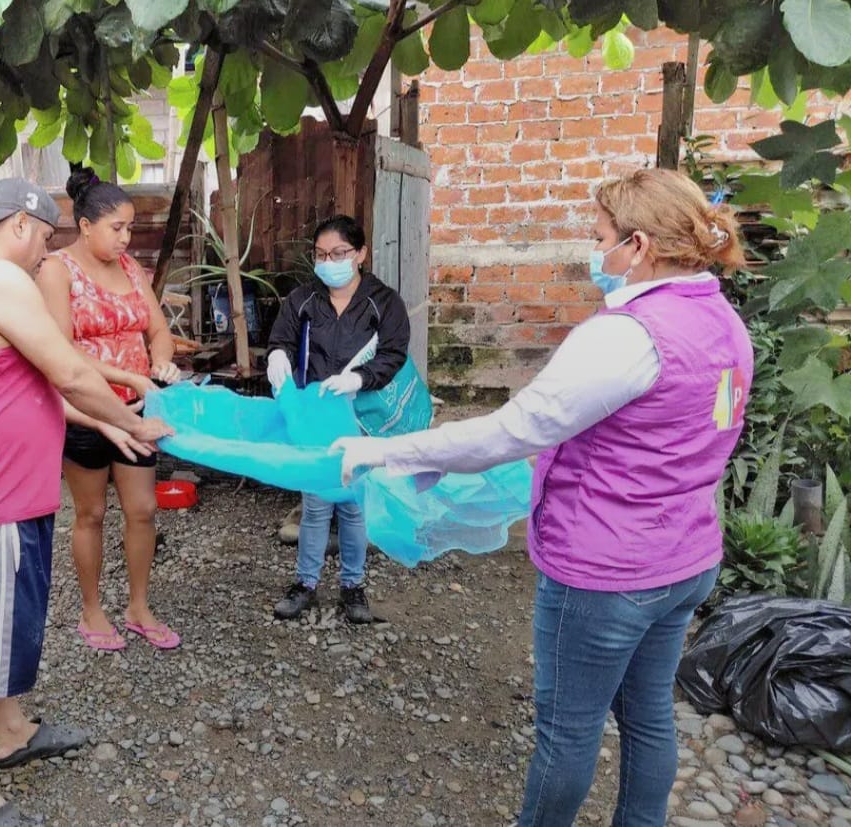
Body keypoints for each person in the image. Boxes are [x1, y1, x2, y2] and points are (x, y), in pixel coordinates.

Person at [331, 169, 753, 827]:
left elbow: (514, 430)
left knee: (569, 729)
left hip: (608, 572)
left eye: (601, 238)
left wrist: (388, 451)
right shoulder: (722, 320)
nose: (596, 252)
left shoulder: (629, 334)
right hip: (685, 557)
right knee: (648, 715)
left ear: (639, 245)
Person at [0, 177, 172, 827]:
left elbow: (38, 391)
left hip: (10, 494)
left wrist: (114, 426)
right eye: (42, 237)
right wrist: (135, 420)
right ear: (18, 224)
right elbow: (68, 370)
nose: (44, 252)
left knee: (8, 627)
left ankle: (10, 732)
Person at [37, 169, 182, 652]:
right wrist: (128, 376)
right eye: (116, 227)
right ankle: (92, 610)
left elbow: (157, 330)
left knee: (143, 509)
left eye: (129, 228)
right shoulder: (57, 270)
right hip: (86, 411)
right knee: (92, 513)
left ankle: (138, 607)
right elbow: (61, 350)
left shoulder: (131, 267)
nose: (125, 238)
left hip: (137, 410)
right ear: (84, 225)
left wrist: (160, 360)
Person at [266, 215, 411, 624]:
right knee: (315, 502)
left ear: (360, 254)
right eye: (321, 254)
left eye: (339, 253)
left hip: (361, 415)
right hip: (317, 415)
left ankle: (353, 586)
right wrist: (277, 357)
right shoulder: (303, 300)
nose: (328, 262)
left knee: (352, 505)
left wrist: (359, 378)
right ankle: (305, 584)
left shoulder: (384, 302)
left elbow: (394, 354)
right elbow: (281, 340)